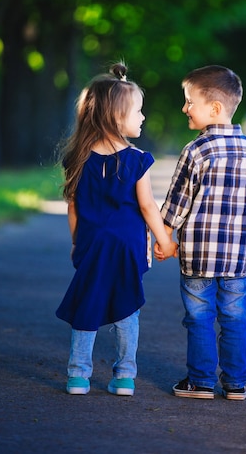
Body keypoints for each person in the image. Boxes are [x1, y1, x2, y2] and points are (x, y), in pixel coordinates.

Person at [56, 62, 177, 396]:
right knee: (127, 308)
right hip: (127, 244)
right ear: (115, 116)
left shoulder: (79, 157)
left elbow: (74, 206)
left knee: (88, 305)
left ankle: (78, 376)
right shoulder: (137, 159)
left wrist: (75, 242)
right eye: (138, 111)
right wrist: (165, 240)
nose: (142, 117)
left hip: (93, 243)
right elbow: (147, 206)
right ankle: (125, 376)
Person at [154, 65, 246, 401]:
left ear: (214, 109)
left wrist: (164, 240)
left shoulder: (196, 151)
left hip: (198, 256)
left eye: (190, 101)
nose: (184, 108)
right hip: (237, 257)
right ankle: (236, 384)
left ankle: (201, 381)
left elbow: (176, 203)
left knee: (199, 317)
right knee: (235, 318)